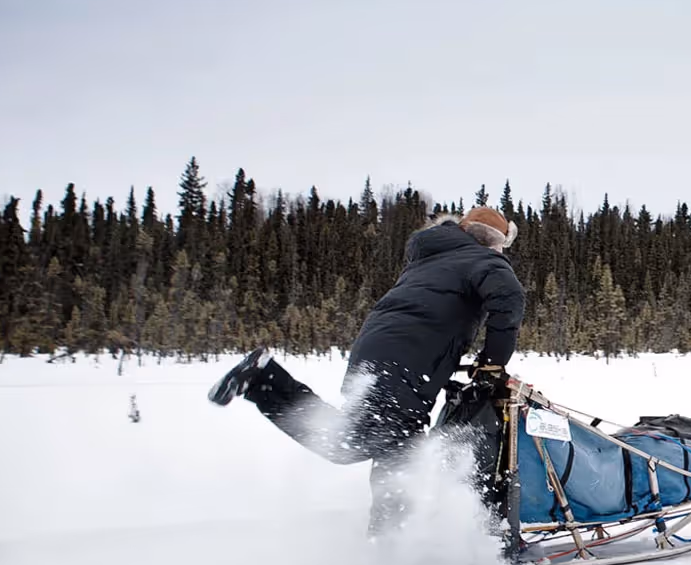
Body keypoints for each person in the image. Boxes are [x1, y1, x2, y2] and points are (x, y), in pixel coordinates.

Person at [207, 206, 527, 535]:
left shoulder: (431, 256)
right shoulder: (485, 260)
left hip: (375, 351)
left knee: (398, 452)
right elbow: (510, 299)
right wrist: (493, 361)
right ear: (492, 241)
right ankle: (264, 379)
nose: (502, 252)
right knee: (352, 442)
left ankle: (390, 542)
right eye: (502, 244)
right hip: (408, 363)